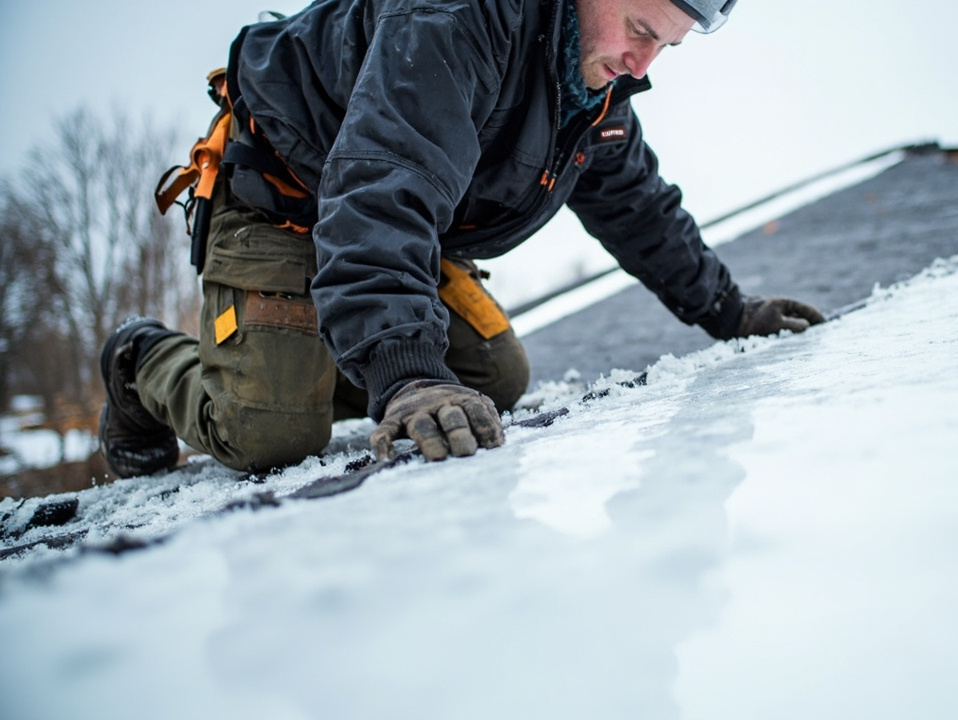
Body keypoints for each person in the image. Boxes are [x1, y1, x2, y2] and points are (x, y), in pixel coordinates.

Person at [99, 0, 825, 478]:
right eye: (639, 30)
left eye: (665, 47)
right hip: (285, 198)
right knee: (272, 435)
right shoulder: (456, 18)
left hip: (400, 228)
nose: (642, 65)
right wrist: (404, 374)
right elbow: (387, 179)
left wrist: (731, 313)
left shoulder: (589, 89)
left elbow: (639, 209)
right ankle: (141, 359)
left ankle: (314, 354)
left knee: (494, 382)